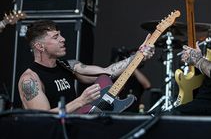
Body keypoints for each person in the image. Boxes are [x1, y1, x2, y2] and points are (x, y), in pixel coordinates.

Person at [18, 20, 155, 113]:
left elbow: (107, 72)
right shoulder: (30, 80)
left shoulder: (68, 65)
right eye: (55, 37)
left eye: (60, 35)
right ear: (40, 46)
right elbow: (42, 119)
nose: (63, 39)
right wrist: (81, 101)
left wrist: (138, 55)